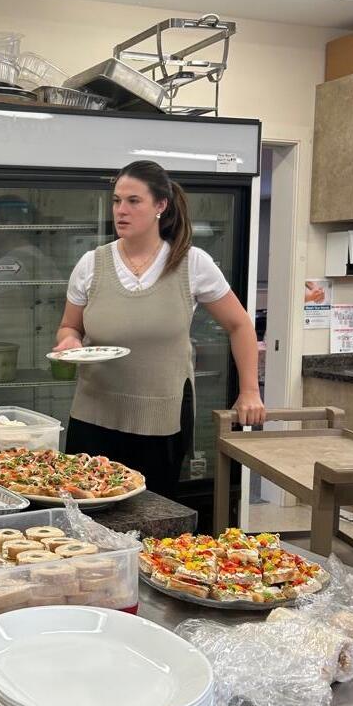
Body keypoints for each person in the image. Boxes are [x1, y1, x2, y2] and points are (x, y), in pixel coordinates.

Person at [54, 160, 264, 499]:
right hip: (94, 416)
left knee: (153, 513)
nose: (121, 210)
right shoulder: (91, 264)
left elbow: (239, 325)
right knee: (86, 511)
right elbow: (69, 327)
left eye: (133, 201)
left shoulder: (191, 263)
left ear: (160, 206)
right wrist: (69, 342)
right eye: (116, 201)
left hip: (161, 421)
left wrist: (250, 391)